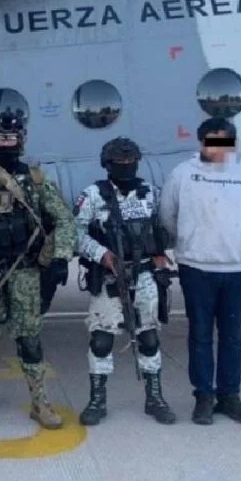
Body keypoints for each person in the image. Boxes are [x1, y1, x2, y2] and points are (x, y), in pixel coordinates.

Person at [0, 108, 75, 433]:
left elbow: (63, 219)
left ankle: (40, 403)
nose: (4, 143)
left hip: (25, 274)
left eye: (10, 137)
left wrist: (60, 256)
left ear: (20, 140)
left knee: (29, 341)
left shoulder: (35, 181)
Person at [159, 117, 241, 425]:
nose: (217, 149)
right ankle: (204, 396)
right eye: (211, 142)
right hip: (197, 266)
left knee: (233, 334)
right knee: (200, 333)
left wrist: (239, 242)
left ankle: (230, 396)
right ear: (201, 143)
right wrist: (192, 240)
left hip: (238, 267)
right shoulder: (183, 173)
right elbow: (168, 215)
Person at [73, 137, 176, 426]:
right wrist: (101, 253)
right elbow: (75, 233)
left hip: (143, 274)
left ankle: (155, 398)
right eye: (119, 163)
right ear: (107, 165)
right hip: (109, 275)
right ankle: (97, 400)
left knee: (149, 337)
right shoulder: (93, 195)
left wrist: (159, 253)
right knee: (101, 340)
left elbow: (161, 227)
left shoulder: (149, 193)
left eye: (130, 162)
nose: (126, 167)